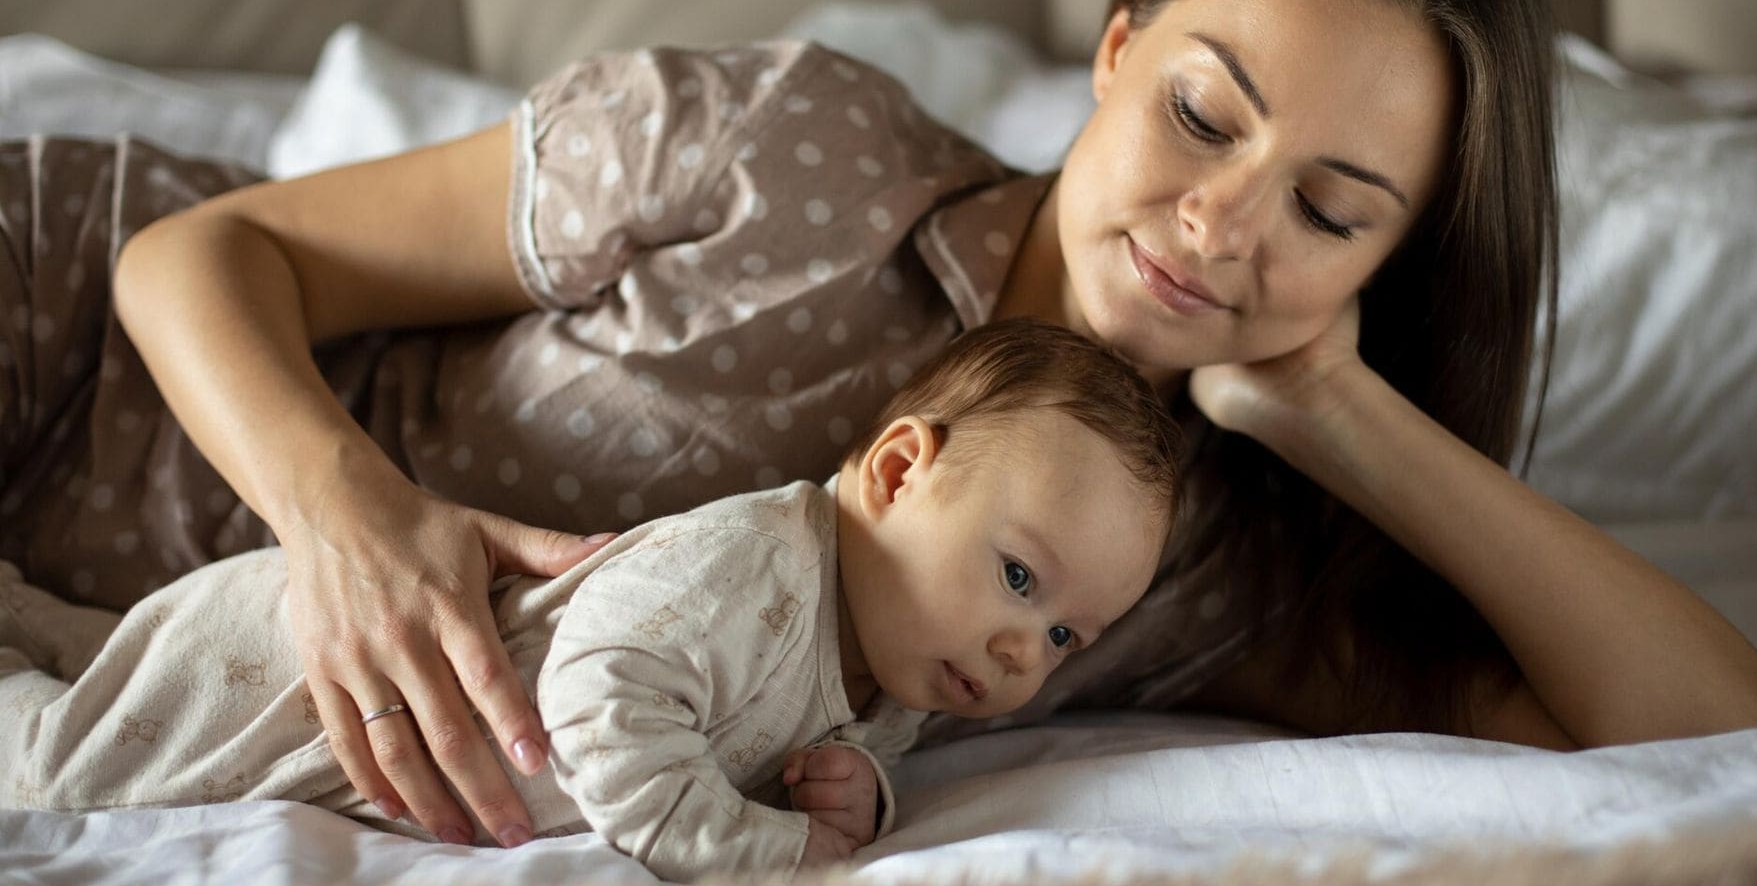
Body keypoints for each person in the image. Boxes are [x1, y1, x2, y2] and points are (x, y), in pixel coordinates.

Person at [0, 0, 1757, 852]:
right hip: (59, 328)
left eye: (1331, 211)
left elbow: (1748, 757)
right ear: (1116, 49)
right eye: (1204, 116)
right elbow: (195, 253)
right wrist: (346, 515)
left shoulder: (1214, 566)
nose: (1222, 225)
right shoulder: (800, 149)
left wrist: (1337, 408)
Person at [0, 319, 1179, 876]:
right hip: (299, 686)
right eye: (1019, 579)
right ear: (897, 471)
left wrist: (861, 790)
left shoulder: (903, 654)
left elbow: (826, 747)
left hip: (358, 728)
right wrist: (784, 852)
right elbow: (602, 717)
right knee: (57, 767)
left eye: (1066, 631)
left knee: (88, 661)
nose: (1026, 652)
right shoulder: (755, 563)